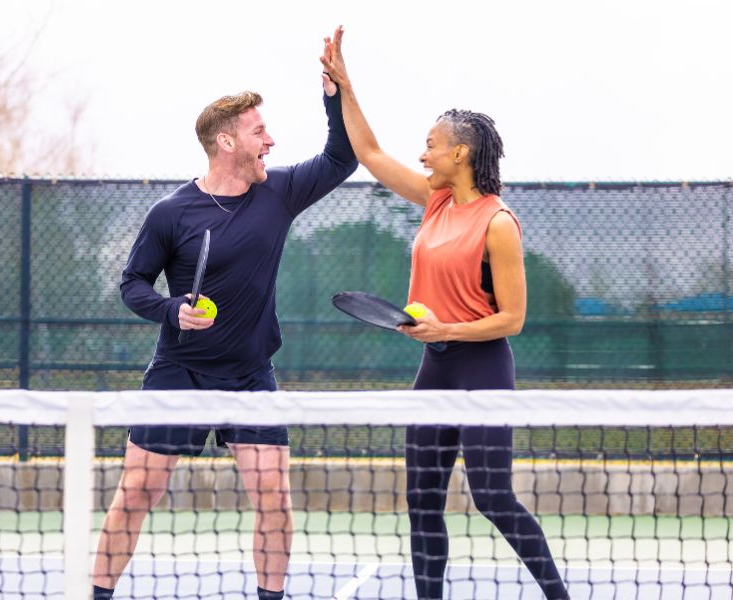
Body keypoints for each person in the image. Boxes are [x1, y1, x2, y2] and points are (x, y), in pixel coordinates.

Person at [319, 26, 570, 600]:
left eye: (431, 144)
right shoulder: (433, 200)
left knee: (493, 497)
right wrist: (344, 85)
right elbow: (370, 153)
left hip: (483, 368)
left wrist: (446, 328)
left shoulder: (499, 223)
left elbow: (512, 319)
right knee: (423, 502)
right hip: (435, 368)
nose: (421, 152)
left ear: (459, 153)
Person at [91, 73, 358, 599]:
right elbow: (132, 283)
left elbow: (341, 160)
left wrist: (334, 98)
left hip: (250, 376)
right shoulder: (170, 214)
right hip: (178, 373)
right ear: (226, 143)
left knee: (274, 501)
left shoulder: (278, 192)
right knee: (138, 492)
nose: (271, 141)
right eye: (260, 132)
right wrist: (172, 310)